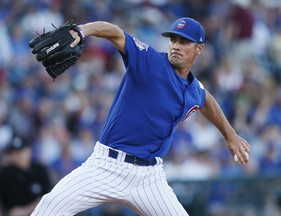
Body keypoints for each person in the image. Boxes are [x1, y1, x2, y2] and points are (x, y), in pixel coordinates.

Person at [31, 17, 250, 216]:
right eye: (173, 39)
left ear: (199, 48)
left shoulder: (194, 89)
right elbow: (115, 32)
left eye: (184, 42)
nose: (175, 46)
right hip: (106, 166)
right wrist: (81, 30)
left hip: (150, 178)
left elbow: (206, 100)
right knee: (49, 208)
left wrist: (230, 135)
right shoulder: (151, 62)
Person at [0, 136, 51, 216]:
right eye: (13, 153)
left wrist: (25, 210)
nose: (18, 156)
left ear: (29, 152)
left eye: (21, 152)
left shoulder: (39, 170)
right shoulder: (6, 174)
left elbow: (48, 197)